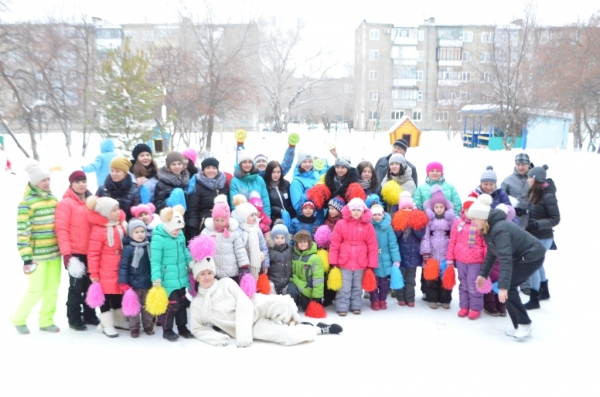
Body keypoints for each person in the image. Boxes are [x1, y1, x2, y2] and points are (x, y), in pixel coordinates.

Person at [189, 255, 342, 348]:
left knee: (285, 304)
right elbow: (197, 329)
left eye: (209, 272)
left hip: (253, 306)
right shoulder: (198, 304)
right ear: (196, 277)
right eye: (202, 274)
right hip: (249, 327)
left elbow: (244, 303)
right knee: (285, 337)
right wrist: (217, 338)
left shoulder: (226, 283)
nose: (207, 277)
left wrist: (242, 335)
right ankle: (319, 329)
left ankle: (297, 323)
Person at [470, 194, 547, 340]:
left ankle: (524, 324)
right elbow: (492, 253)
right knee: (507, 286)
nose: (472, 222)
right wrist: (483, 274)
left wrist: (503, 286)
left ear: (482, 217)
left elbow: (505, 258)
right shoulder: (488, 228)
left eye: (474, 219)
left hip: (532, 256)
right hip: (521, 256)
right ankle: (520, 325)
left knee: (508, 286)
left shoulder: (500, 229)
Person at [12, 161, 62, 334]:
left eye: (48, 179)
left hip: (54, 253)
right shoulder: (27, 203)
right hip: (36, 256)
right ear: (34, 183)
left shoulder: (54, 199)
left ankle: (46, 320)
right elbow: (22, 231)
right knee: (36, 289)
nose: (47, 183)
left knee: (52, 289)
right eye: (43, 180)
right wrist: (26, 256)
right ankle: (18, 318)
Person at [55, 170, 99, 331]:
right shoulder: (66, 203)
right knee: (76, 287)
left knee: (91, 285)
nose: (81, 184)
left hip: (92, 251)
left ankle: (89, 314)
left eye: (84, 181)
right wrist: (67, 254)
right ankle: (74, 318)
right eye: (78, 181)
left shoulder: (92, 201)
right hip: (75, 253)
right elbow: (62, 229)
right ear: (71, 184)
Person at [86, 196, 129, 338]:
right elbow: (93, 253)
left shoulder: (122, 224)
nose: (118, 213)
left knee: (118, 293)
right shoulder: (99, 230)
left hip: (120, 265)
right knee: (105, 296)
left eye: (118, 209)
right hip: (105, 268)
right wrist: (93, 273)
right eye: (114, 211)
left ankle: (120, 320)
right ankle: (107, 323)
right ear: (105, 213)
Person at [329, 198, 378, 316]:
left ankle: (356, 306)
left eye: (358, 210)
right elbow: (334, 244)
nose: (356, 212)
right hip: (344, 261)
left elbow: (372, 246)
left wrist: (371, 264)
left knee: (357, 286)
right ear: (349, 210)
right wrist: (333, 262)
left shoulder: (368, 226)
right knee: (344, 287)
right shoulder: (341, 224)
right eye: (353, 210)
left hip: (361, 262)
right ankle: (342, 306)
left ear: (363, 211)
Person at [150, 205, 193, 341]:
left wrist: (190, 263)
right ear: (168, 225)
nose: (178, 231)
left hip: (181, 277)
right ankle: (167, 329)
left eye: (180, 228)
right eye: (175, 228)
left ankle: (182, 327)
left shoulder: (180, 235)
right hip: (167, 279)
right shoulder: (158, 239)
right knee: (173, 305)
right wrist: (156, 278)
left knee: (182, 303)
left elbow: (184, 251)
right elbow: (155, 261)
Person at [523, 165, 560, 310]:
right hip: (535, 235)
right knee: (538, 264)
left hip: (543, 237)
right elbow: (535, 211)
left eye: (529, 177)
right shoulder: (536, 192)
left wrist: (536, 225)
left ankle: (534, 299)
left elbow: (555, 219)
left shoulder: (548, 196)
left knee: (532, 266)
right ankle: (544, 291)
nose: (527, 180)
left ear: (535, 179)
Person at [447, 196, 487, 320]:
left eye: (472, 210)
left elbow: (485, 244)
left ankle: (475, 308)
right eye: (467, 210)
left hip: (476, 261)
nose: (469, 213)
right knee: (463, 284)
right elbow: (452, 241)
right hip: (460, 259)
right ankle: (464, 306)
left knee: (473, 285)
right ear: (463, 210)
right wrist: (450, 258)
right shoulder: (458, 223)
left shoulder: (481, 224)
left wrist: (486, 261)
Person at [420, 186, 455, 310]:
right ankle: (432, 298)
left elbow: (454, 237)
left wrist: (452, 254)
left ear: (445, 208)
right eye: (436, 207)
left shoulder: (450, 220)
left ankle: (445, 299)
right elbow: (425, 237)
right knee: (431, 278)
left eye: (441, 207)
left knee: (446, 277)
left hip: (446, 254)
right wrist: (426, 251)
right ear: (432, 208)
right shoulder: (429, 220)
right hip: (433, 253)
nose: (439, 209)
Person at [201, 195, 249, 282]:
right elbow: (200, 247)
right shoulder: (207, 231)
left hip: (231, 272)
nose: (219, 223)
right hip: (213, 272)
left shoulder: (233, 232)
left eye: (222, 220)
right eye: (217, 220)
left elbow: (240, 250)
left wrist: (244, 266)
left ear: (227, 219)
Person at [392, 192, 428, 307]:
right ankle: (401, 297)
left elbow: (420, 234)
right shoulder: (396, 219)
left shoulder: (418, 218)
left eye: (409, 208)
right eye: (404, 208)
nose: (407, 210)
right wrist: (401, 224)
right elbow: (395, 236)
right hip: (401, 256)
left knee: (411, 280)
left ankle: (410, 298)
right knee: (400, 278)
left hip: (413, 255)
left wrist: (413, 224)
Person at [118, 219, 153, 338]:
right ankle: (134, 327)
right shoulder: (128, 249)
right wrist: (123, 282)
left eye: (142, 231)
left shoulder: (149, 246)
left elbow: (153, 264)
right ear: (131, 234)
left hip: (148, 282)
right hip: (133, 284)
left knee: (147, 306)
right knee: (133, 307)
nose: (140, 234)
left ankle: (148, 325)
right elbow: (123, 266)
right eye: (136, 232)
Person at [187, 157, 230, 237]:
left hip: (223, 223)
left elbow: (229, 204)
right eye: (208, 168)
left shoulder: (223, 185)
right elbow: (193, 210)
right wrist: (194, 229)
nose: (211, 170)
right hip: (205, 223)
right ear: (203, 170)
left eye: (214, 168)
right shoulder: (197, 186)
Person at [370, 204, 400, 311]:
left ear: (383, 215)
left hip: (385, 259)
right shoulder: (369, 226)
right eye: (374, 215)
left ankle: (382, 300)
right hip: (372, 259)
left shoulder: (388, 227)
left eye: (379, 214)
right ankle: (374, 300)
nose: (377, 217)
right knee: (373, 282)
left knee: (384, 283)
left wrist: (396, 259)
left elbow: (393, 244)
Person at [232, 195, 270, 280]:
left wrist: (265, 264)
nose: (255, 217)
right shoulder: (237, 230)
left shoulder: (256, 229)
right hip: (240, 265)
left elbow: (263, 247)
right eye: (251, 215)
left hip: (254, 263)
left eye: (255, 215)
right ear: (244, 217)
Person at [287, 230, 325, 311]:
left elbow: (318, 278)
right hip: (295, 282)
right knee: (290, 290)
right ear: (296, 243)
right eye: (300, 242)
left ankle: (304, 299)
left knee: (306, 308)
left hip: (307, 288)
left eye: (305, 241)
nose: (302, 244)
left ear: (309, 242)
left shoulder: (315, 258)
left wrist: (317, 296)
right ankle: (290, 309)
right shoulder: (294, 255)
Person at [96, 156, 141, 221]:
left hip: (126, 226)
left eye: (117, 171)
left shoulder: (133, 190)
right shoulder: (102, 189)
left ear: (125, 173)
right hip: (105, 226)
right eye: (112, 171)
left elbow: (136, 214)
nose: (114, 174)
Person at [229, 150, 271, 217]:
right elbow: (234, 204)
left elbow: (265, 201)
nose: (247, 165)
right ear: (240, 164)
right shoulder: (235, 181)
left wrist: (266, 220)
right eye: (244, 162)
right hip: (242, 220)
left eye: (250, 162)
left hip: (259, 219)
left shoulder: (259, 180)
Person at [501, 153, 532, 227]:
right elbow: (502, 200)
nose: (520, 167)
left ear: (528, 165)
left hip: (532, 221)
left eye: (523, 164)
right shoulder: (508, 181)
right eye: (518, 165)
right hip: (514, 221)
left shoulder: (534, 179)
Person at [290, 149, 321, 215]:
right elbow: (297, 207)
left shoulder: (316, 175)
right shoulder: (296, 182)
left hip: (321, 218)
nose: (307, 164)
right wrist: (310, 193)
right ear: (300, 163)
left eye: (310, 161)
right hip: (308, 221)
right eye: (304, 162)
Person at [264, 160, 296, 225]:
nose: (276, 175)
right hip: (275, 219)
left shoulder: (286, 184)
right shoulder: (265, 187)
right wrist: (279, 210)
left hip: (289, 217)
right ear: (269, 172)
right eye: (273, 172)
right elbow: (267, 206)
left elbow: (291, 203)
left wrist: (293, 217)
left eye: (278, 172)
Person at [267, 221, 293, 295]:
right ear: (272, 238)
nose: (279, 240)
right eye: (277, 237)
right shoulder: (270, 250)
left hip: (286, 282)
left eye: (282, 238)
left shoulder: (290, 249)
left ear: (286, 238)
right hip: (273, 281)